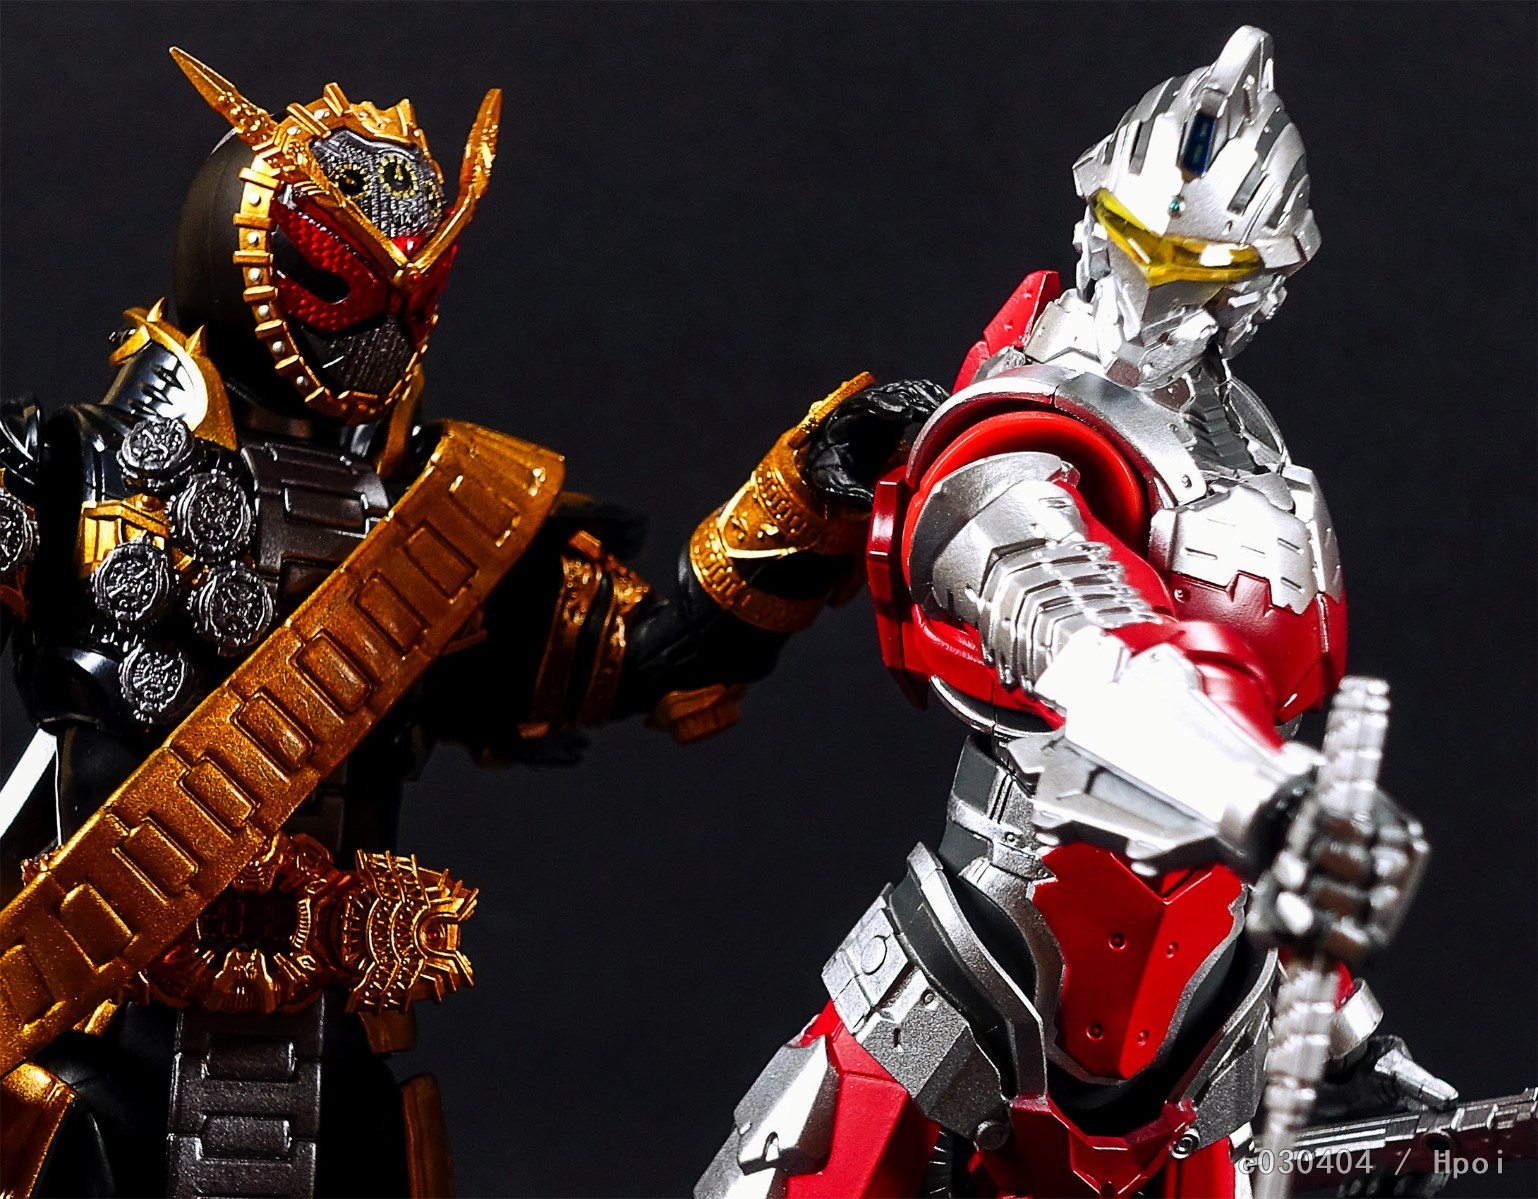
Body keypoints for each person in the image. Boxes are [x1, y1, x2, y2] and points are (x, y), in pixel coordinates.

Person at [0, 50, 944, 1198]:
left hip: (336, 1056)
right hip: (102, 1027)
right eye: (350, 273)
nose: (390, 312)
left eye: (417, 278)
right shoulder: (68, 473)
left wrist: (809, 490)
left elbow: (659, 655)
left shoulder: (445, 520)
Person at [697, 27, 1455, 1199]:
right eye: (1131, 241)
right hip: (972, 1014)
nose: (1151, 290)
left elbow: (1253, 805)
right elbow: (1084, 641)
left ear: (1261, 281)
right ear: (1091, 219)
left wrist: (1346, 1035)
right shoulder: (1018, 427)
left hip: (1195, 1054)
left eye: (1197, 266)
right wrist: (1270, 800)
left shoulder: (1256, 466)